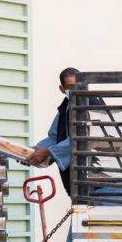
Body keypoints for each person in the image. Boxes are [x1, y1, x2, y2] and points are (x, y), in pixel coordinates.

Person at [28, 67, 79, 196]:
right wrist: (31, 152)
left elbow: (81, 139)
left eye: (76, 86)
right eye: (69, 87)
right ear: (62, 89)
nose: (73, 90)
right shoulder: (65, 108)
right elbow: (54, 137)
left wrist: (48, 151)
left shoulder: (92, 106)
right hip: (76, 182)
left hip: (101, 181)